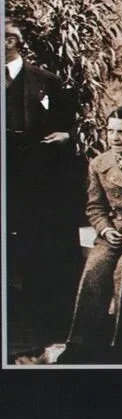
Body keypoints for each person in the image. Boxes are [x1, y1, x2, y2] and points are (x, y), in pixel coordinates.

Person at [57, 106, 122, 363]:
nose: (114, 138)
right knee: (94, 269)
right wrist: (105, 229)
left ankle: (121, 344)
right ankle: (80, 343)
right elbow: (95, 207)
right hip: (114, 231)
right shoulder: (99, 163)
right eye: (110, 131)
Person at [5, 19, 81, 352]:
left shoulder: (47, 81)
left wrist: (66, 136)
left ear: (10, 41)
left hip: (38, 181)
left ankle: (41, 328)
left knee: (40, 250)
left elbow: (70, 127)